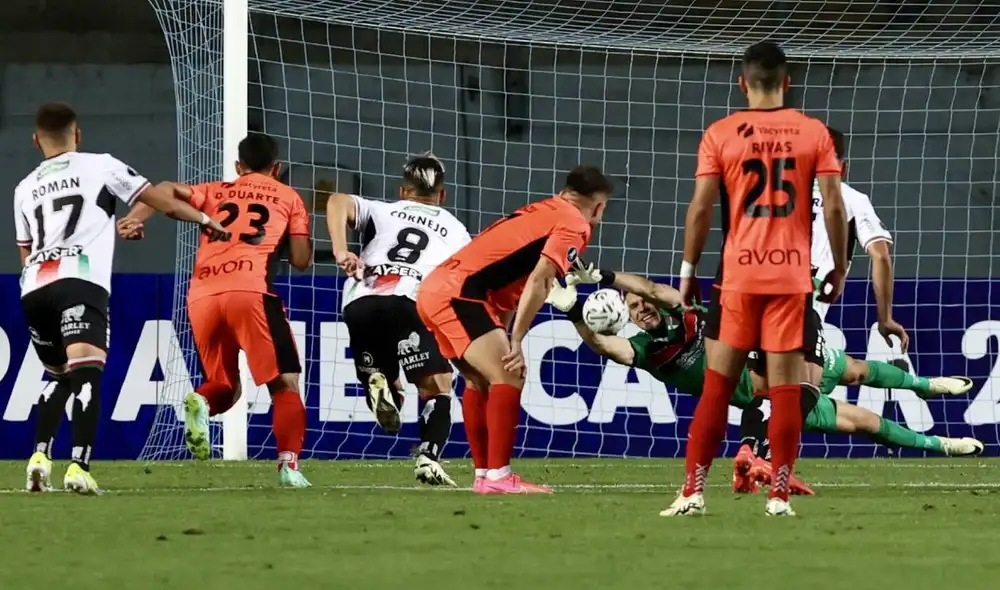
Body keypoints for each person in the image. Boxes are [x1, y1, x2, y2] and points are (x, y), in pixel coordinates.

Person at [545, 267, 982, 496]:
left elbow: (657, 290)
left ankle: (927, 385)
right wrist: (573, 312)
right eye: (633, 309)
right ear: (627, 318)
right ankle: (943, 445)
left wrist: (604, 276)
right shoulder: (645, 350)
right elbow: (606, 347)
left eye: (641, 302)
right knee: (864, 421)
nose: (641, 309)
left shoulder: (682, 310)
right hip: (769, 395)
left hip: (779, 356)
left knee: (855, 369)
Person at [669, 41, 849, 517]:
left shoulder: (721, 133)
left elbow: (701, 208)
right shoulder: (813, 133)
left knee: (717, 386)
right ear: (787, 83)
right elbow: (834, 205)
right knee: (786, 390)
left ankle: (692, 493)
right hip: (790, 277)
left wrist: (687, 271)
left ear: (742, 84)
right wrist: (839, 266)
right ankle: (779, 497)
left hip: (737, 276)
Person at [18, 101, 228, 494]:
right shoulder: (101, 165)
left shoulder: (24, 187)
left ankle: (39, 458)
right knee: (85, 372)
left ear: (35, 141)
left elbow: (25, 251)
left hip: (34, 287)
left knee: (57, 375)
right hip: (81, 279)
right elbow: (162, 200)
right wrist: (205, 219)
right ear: (77, 135)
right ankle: (78, 466)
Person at [118, 133, 313, 487]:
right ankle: (288, 464)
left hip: (203, 296)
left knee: (224, 385)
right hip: (251, 292)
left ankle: (201, 402)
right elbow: (301, 261)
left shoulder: (214, 191)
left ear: (238, 167)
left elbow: (163, 189)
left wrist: (136, 219)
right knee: (285, 383)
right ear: (277, 168)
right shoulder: (289, 197)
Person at [416, 166, 611, 494]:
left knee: (480, 381)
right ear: (599, 205)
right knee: (509, 374)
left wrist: (506, 335)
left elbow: (509, 291)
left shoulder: (542, 209)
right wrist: (517, 340)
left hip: (436, 290)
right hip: (460, 295)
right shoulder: (575, 223)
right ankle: (499, 476)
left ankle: (484, 475)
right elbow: (541, 279)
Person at [326, 152, 471, 486]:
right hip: (411, 300)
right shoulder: (456, 228)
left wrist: (341, 250)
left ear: (403, 191)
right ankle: (428, 456)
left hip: (361, 301)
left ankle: (383, 386)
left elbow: (336, 200)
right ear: (442, 195)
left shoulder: (381, 210)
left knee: (387, 381)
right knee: (437, 387)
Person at [811, 127, 907, 348]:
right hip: (805, 315)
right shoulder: (852, 199)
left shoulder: (777, 196)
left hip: (758, 306)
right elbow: (881, 256)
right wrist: (885, 318)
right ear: (843, 168)